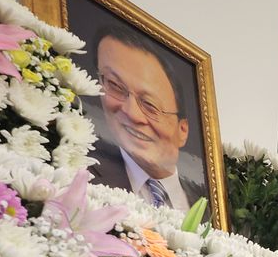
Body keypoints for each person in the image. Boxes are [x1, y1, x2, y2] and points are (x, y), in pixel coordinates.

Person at [87, 23, 203, 211]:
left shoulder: (208, 205)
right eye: (115, 86)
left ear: (182, 130)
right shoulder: (81, 172)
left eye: (150, 105)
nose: (131, 113)